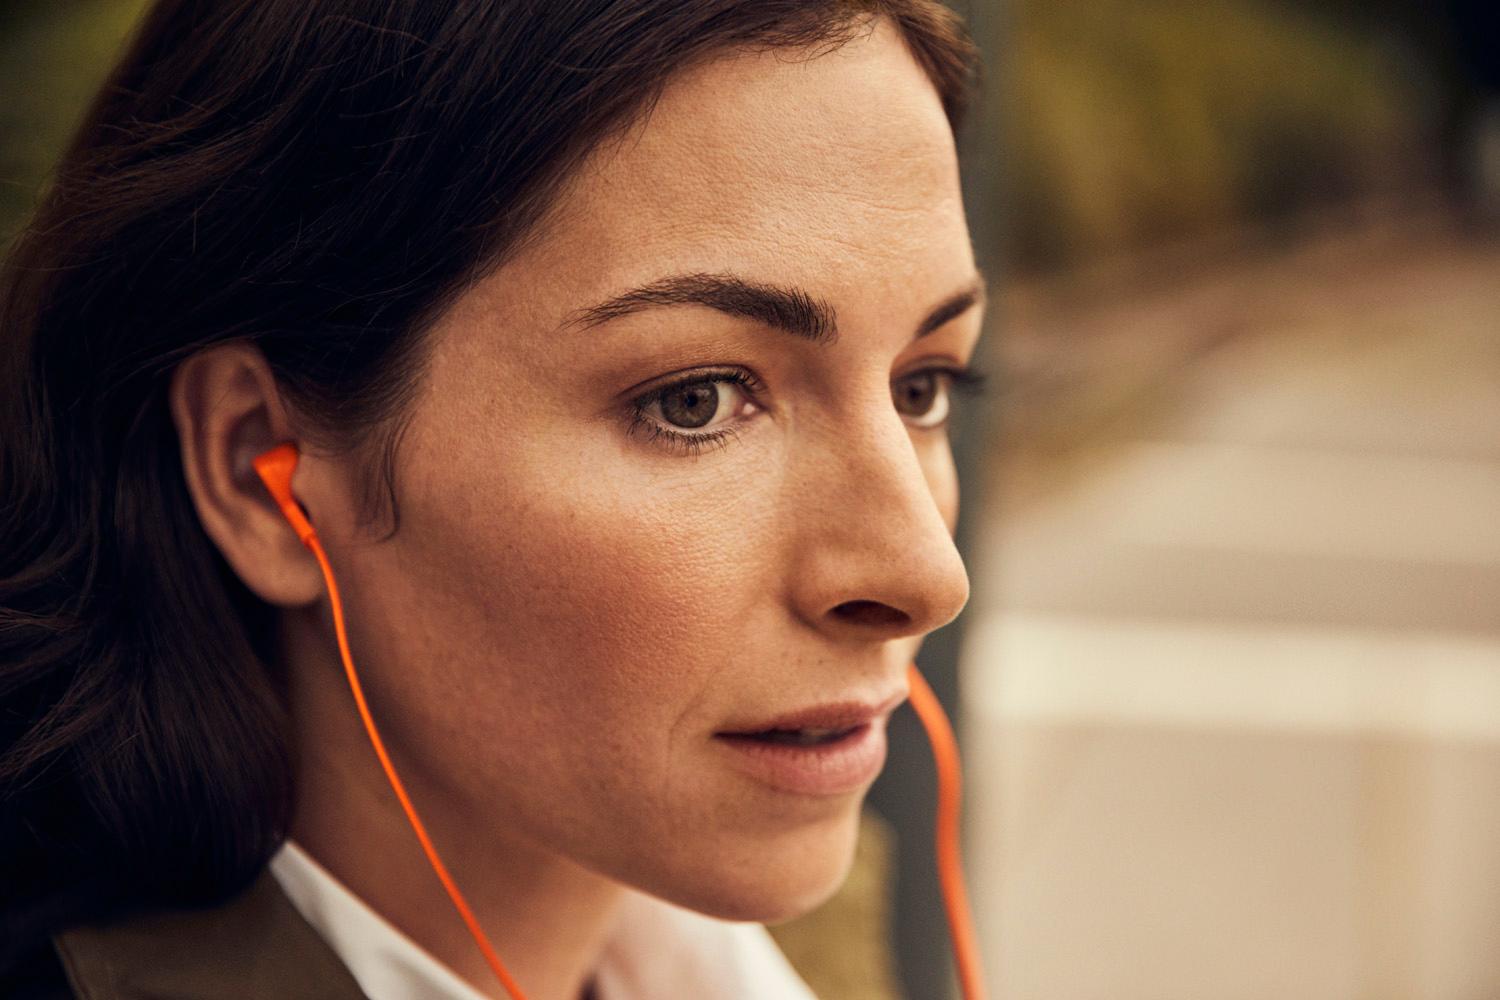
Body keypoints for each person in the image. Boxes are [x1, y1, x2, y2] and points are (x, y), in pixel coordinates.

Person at [0, 1, 987, 997]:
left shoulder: (819, 943)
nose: (925, 574)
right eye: (696, 400)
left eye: (924, 385)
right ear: (258, 466)